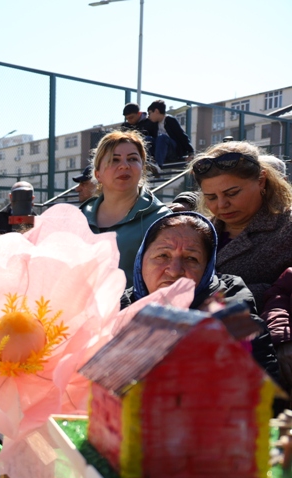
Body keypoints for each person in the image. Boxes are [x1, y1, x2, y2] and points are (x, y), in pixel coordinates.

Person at [121, 211, 280, 387]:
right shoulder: (112, 315)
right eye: (163, 255)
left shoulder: (238, 329)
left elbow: (264, 404)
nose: (174, 271)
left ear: (207, 270)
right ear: (141, 259)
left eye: (191, 259)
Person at [191, 140, 292, 300]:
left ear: (261, 180)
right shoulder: (197, 230)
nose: (222, 204)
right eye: (211, 197)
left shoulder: (286, 229)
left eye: (232, 193)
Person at [81, 129, 171, 284]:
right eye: (114, 160)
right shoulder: (80, 217)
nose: (124, 166)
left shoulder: (162, 219)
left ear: (142, 168)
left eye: (132, 159)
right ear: (98, 174)